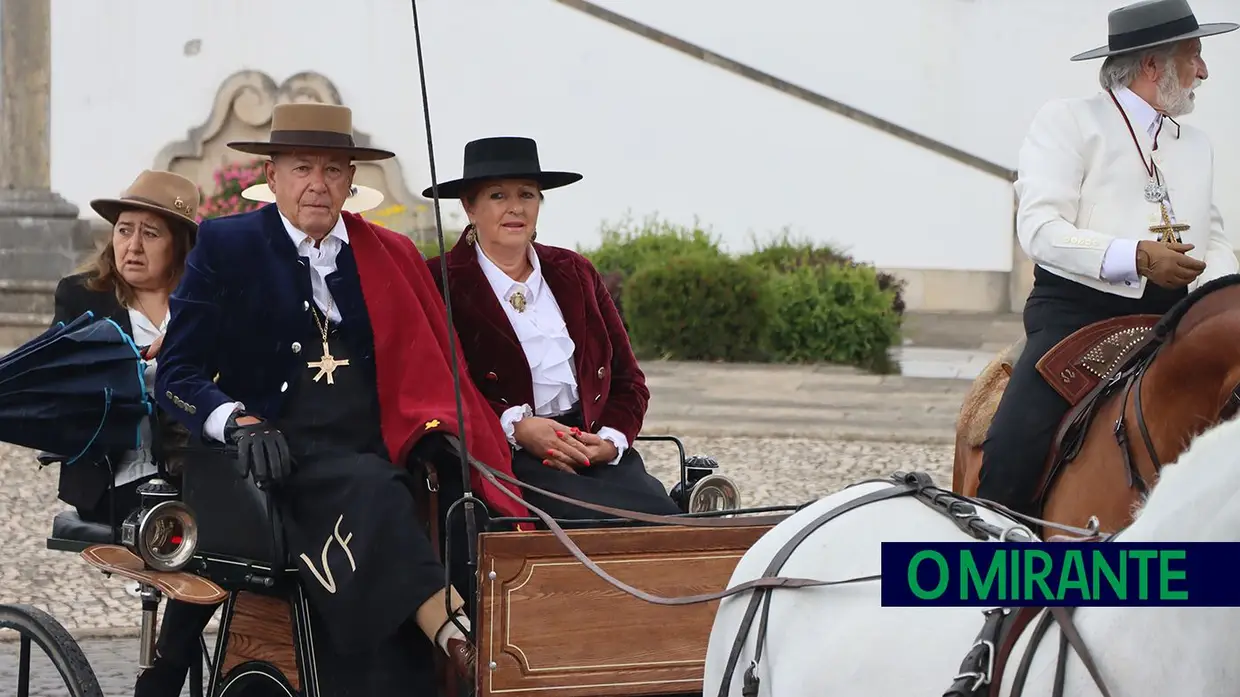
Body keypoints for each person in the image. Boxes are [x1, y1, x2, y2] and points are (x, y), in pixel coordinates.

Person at [154, 103, 529, 695]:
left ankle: (483, 646)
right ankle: (467, 647)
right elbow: (175, 374)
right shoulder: (226, 246)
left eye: (333, 170)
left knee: (450, 504)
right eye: (302, 167)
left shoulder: (385, 255)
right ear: (272, 176)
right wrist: (238, 421)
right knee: (376, 495)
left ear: (352, 182)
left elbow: (429, 366)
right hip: (276, 463)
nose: (317, 185)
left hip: (374, 451)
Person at [978, 0, 1238, 515]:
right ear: (1150, 65)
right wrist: (1135, 257)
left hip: (1175, 321)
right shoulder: (1069, 122)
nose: (1203, 71)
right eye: (1194, 56)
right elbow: (1040, 229)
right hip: (1078, 319)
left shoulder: (1197, 145)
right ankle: (992, 568)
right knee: (1014, 447)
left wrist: (1228, 301)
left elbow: (1216, 241)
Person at [424, 136, 681, 523]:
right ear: (469, 207)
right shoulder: (439, 280)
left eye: (527, 194)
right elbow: (437, 388)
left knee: (666, 520)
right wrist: (518, 426)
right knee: (584, 525)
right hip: (507, 459)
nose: (515, 208)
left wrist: (609, 442)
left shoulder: (575, 272)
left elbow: (629, 381)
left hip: (592, 447)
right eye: (497, 195)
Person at [50, 169, 219, 697]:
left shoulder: (207, 309)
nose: (133, 245)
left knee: (239, 526)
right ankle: (164, 680)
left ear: (181, 245)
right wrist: (131, 366)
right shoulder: (83, 298)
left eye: (151, 233)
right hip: (116, 477)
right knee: (211, 530)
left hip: (197, 473)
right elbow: (66, 394)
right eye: (125, 229)